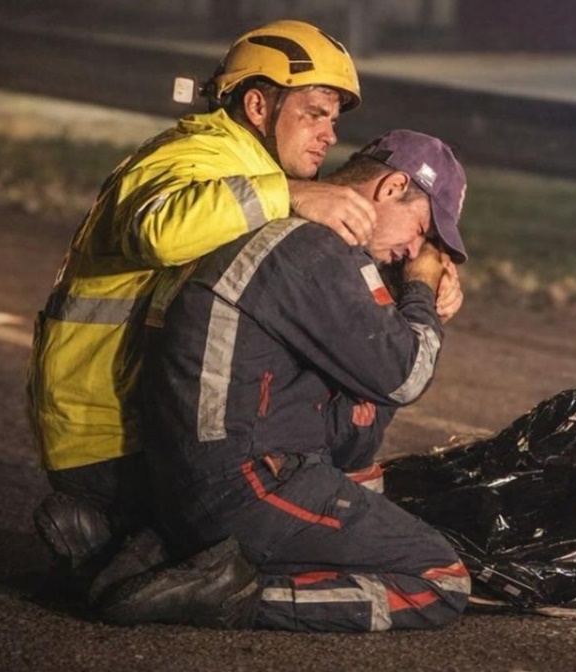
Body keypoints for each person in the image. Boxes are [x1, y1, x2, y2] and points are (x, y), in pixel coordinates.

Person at [26, 19, 376, 578]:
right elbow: (160, 232)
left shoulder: (250, 170)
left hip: (142, 421)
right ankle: (124, 544)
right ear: (258, 106)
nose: (329, 134)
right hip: (114, 439)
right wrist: (288, 193)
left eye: (333, 120)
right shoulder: (195, 155)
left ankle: (127, 539)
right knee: (281, 545)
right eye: (315, 113)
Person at [89, 129, 472, 633]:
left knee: (368, 480)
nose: (415, 249)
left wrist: (401, 301)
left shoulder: (287, 230)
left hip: (187, 480)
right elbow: (403, 377)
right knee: (441, 579)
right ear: (392, 187)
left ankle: (158, 553)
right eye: (422, 230)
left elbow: (355, 438)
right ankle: (228, 594)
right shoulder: (317, 250)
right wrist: (420, 291)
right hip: (240, 490)